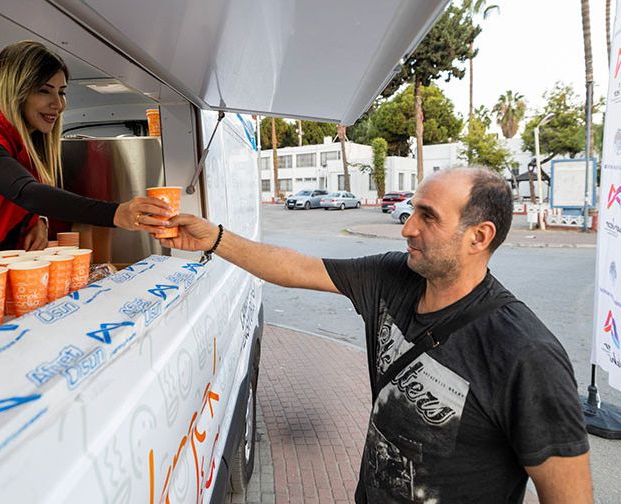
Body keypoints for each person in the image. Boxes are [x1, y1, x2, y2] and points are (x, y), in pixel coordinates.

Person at [157, 167, 592, 503]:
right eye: (413, 210)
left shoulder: (525, 354)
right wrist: (214, 238)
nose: (407, 228)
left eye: (428, 217)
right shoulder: (391, 277)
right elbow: (296, 268)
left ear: (479, 236)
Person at [0, 41, 170, 291]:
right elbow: (27, 192)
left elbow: (14, 195)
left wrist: (37, 221)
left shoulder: (22, 135)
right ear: (16, 90)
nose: (59, 104)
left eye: (62, 92)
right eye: (44, 90)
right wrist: (117, 213)